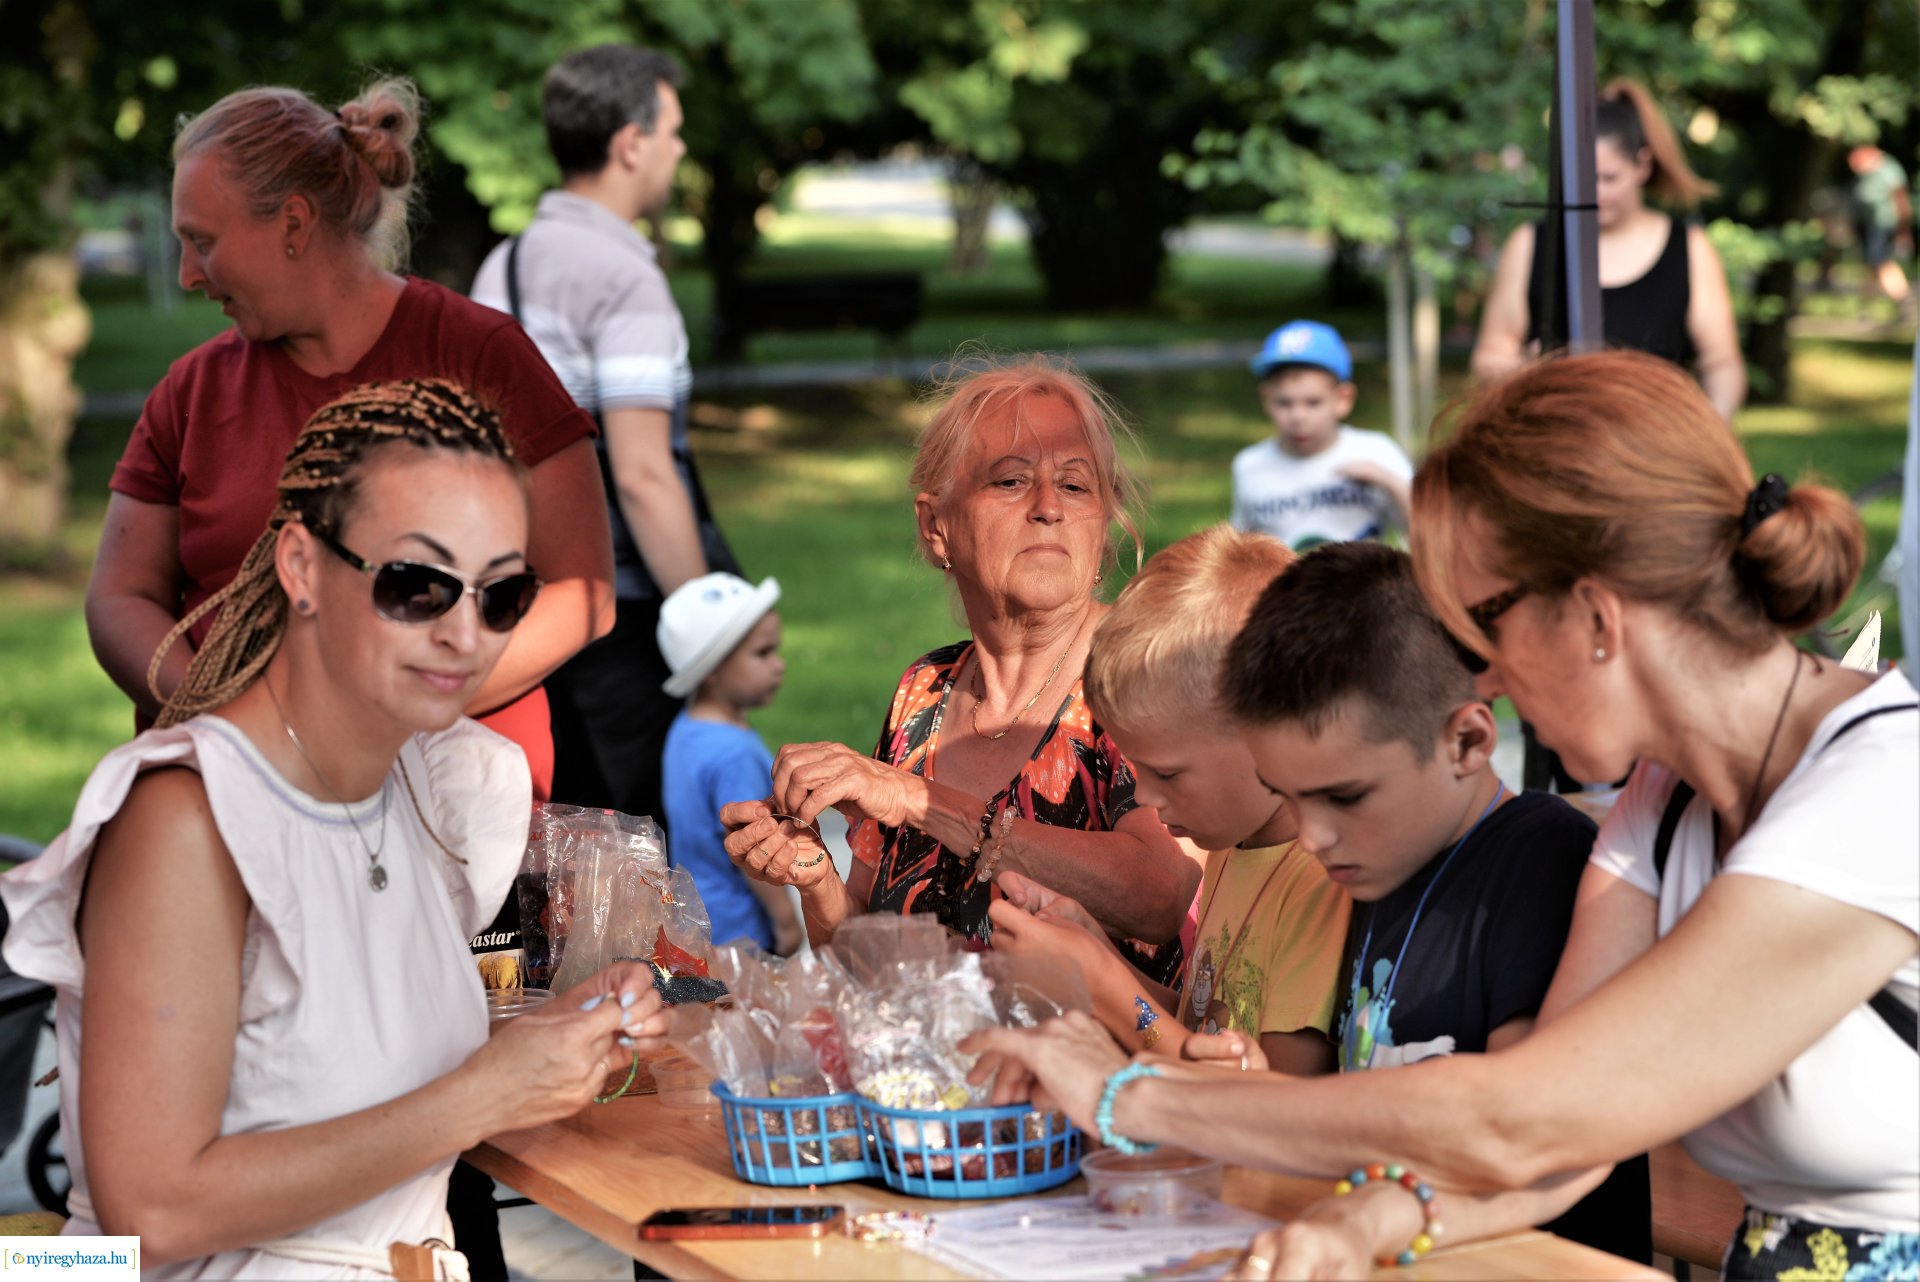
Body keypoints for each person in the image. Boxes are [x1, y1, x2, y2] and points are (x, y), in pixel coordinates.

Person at [966, 351, 1916, 1282]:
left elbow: (1521, 1115)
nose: (1484, 679)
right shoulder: (1663, 804)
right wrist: (1383, 1214)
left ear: (1596, 614)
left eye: (1485, 626)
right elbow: (1571, 1129)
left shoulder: (1878, 789)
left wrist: (1136, 1096)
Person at [2, 380, 671, 1277]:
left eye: (500, 595)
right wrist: (478, 1096)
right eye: (416, 585)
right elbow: (150, 1209)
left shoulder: (435, 787)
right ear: (301, 567)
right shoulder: (190, 819)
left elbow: (357, 1080)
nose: (464, 634)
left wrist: (545, 1045)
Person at [85, 80, 613, 801]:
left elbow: (584, 590)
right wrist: (235, 719)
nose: (187, 275)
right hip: (227, 801)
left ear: (294, 223)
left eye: (202, 242)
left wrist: (400, 709)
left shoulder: (481, 355)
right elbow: (119, 596)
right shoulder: (191, 390)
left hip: (452, 815)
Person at [718, 357, 1201, 982]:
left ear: (1104, 527)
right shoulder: (925, 692)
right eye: (1011, 481)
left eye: (1077, 486)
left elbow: (1164, 894)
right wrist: (815, 881)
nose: (1050, 507)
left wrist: (920, 801)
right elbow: (866, 965)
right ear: (936, 526)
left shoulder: (1142, 667)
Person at [473, 44, 736, 826]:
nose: (679, 149)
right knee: (632, 850)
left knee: (550, 841)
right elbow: (643, 473)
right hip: (617, 610)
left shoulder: (505, 264)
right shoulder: (624, 278)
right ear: (630, 142)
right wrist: (707, 625)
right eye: (673, 132)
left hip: (521, 609)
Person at [988, 526, 1349, 1076]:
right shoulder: (1235, 843)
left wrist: (1104, 988)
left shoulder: (1321, 881)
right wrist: (1094, 950)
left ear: (1271, 731)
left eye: (1168, 773)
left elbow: (1274, 1100)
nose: (1149, 799)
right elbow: (1200, 1029)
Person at [1473, 78, 1745, 421]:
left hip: (1654, 447)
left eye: (1608, 178)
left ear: (1642, 167)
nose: (1594, 194)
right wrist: (1526, 371)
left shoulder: (1690, 249)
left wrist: (1711, 428)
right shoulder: (1529, 244)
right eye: (1582, 180)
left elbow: (1721, 363)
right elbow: (1489, 357)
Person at [658, 572, 804, 955]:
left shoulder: (685, 730)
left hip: (695, 921)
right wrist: (785, 920)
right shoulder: (732, 753)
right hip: (742, 931)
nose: (779, 665)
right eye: (762, 653)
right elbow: (749, 846)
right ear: (712, 669)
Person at [1230, 320, 1412, 551]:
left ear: (1343, 399)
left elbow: (1427, 535)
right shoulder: (1250, 465)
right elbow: (1239, 555)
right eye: (1284, 403)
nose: (1298, 417)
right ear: (1266, 399)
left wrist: (1391, 483)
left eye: (1313, 403)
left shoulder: (1377, 451)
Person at [1849, 144, 1915, 320]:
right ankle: (1865, 308)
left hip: (1884, 225)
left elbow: (1901, 199)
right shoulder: (1871, 173)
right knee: (1872, 265)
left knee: (1881, 263)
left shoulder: (1888, 170)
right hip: (1871, 225)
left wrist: (1903, 229)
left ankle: (1904, 301)